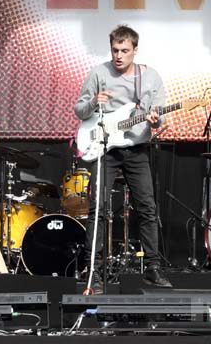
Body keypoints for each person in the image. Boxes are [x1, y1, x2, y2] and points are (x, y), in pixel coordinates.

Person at [74, 25, 172, 293]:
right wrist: (94, 101)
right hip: (105, 148)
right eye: (115, 50)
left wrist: (156, 118)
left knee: (148, 209)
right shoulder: (98, 73)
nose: (119, 56)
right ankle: (93, 271)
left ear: (135, 50)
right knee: (99, 210)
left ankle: (152, 268)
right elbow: (79, 111)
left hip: (137, 149)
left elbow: (160, 115)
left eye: (124, 51)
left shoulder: (149, 77)